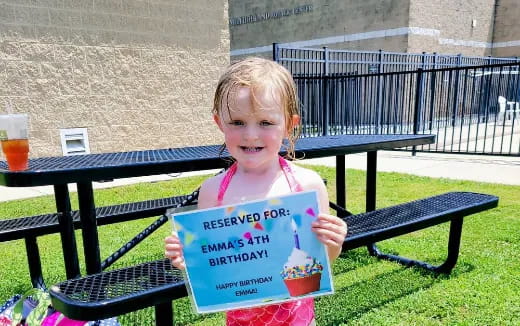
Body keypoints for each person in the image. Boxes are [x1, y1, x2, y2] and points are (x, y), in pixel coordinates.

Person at [164, 57, 347, 326]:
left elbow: (321, 263)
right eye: (237, 122)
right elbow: (212, 271)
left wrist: (333, 244)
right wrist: (188, 258)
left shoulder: (306, 185)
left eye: (265, 122)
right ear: (219, 123)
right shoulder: (213, 191)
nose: (251, 135)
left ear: (288, 124)